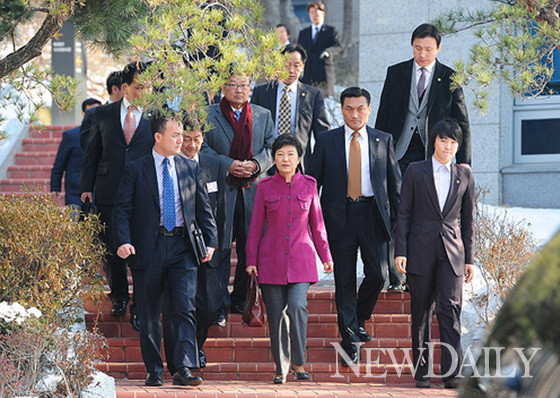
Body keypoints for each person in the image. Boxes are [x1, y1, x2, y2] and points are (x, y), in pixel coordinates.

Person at [113, 115, 217, 387]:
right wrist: (123, 240)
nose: (181, 140)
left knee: (184, 308)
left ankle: (182, 368)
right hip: (149, 247)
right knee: (148, 313)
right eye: (175, 135)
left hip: (183, 247)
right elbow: (122, 210)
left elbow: (203, 208)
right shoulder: (136, 168)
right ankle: (154, 369)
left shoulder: (189, 167)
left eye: (181, 134)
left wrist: (211, 241)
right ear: (158, 137)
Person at [308, 87, 401, 366]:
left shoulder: (383, 140)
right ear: (342, 109)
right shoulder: (326, 141)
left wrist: (399, 223)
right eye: (349, 108)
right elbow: (313, 184)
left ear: (369, 109)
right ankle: (350, 339)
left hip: (373, 215)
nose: (355, 114)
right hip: (339, 216)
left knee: (378, 275)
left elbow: (394, 185)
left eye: (360, 108)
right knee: (345, 279)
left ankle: (359, 317)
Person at [375, 23, 471, 293]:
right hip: (400, 152)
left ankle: (423, 271)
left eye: (428, 49)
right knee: (398, 210)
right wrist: (379, 154)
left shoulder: (450, 77)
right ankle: (398, 276)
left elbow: (462, 123)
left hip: (434, 154)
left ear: (438, 48)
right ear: (412, 46)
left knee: (428, 213)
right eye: (418, 48)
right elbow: (383, 116)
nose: (422, 53)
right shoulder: (396, 73)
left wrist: (464, 165)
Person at [394, 118, 475, 389]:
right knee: (421, 312)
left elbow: (468, 220)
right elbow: (403, 215)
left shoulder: (464, 174)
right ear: (434, 141)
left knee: (450, 309)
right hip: (419, 250)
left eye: (453, 142)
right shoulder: (416, 171)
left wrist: (469, 259)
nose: (448, 146)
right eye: (443, 140)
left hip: (452, 253)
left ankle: (452, 373)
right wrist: (400, 251)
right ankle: (422, 373)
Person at [246, 134, 333, 384]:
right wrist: (251, 259)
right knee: (276, 315)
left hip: (301, 260)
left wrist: (325, 255)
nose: (285, 159)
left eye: (290, 154)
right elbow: (255, 226)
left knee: (296, 307)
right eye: (280, 154)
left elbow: (317, 225)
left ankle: (298, 360)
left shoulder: (309, 184)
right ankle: (281, 367)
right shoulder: (264, 186)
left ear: (298, 159)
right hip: (270, 260)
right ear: (274, 159)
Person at [80, 61, 154, 320]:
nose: (144, 91)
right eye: (139, 87)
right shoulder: (103, 114)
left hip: (144, 193)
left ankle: (139, 305)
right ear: (125, 87)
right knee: (112, 249)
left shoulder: (157, 115)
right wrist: (86, 188)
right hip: (109, 190)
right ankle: (120, 297)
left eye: (149, 87)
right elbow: (92, 153)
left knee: (141, 248)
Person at [201, 73, 275, 314]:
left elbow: (271, 147)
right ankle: (218, 303)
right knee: (220, 247)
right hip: (221, 190)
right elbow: (201, 147)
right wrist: (227, 164)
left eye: (244, 85)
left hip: (253, 191)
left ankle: (240, 298)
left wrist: (255, 164)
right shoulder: (208, 114)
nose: (239, 90)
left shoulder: (262, 114)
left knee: (250, 247)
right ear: (223, 87)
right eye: (233, 85)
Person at [162, 125, 228, 373]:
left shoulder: (215, 164)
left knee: (210, 305)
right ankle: (185, 357)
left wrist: (218, 243)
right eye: (185, 138)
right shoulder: (170, 163)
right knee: (181, 304)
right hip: (180, 246)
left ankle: (196, 344)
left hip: (208, 247)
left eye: (196, 139)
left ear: (204, 139)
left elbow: (221, 209)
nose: (190, 144)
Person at [251, 43, 330, 172]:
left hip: (300, 165)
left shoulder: (313, 95)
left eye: (296, 65)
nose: (291, 70)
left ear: (303, 66)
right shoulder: (262, 92)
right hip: (267, 164)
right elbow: (253, 130)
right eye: (286, 65)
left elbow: (322, 134)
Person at [51, 98, 101, 207]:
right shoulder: (71, 135)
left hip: (99, 192)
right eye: (90, 112)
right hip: (75, 192)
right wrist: (55, 186)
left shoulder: (107, 134)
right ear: (83, 113)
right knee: (74, 222)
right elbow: (60, 163)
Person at [297, 1, 341, 97]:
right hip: (308, 74)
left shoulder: (331, 31)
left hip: (324, 73)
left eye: (317, 13)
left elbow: (337, 46)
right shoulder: (303, 33)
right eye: (311, 13)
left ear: (323, 14)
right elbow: (299, 51)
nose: (314, 16)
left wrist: (328, 52)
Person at [80, 71, 124, 150]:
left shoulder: (139, 113)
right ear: (115, 89)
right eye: (126, 88)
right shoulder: (93, 113)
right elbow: (86, 145)